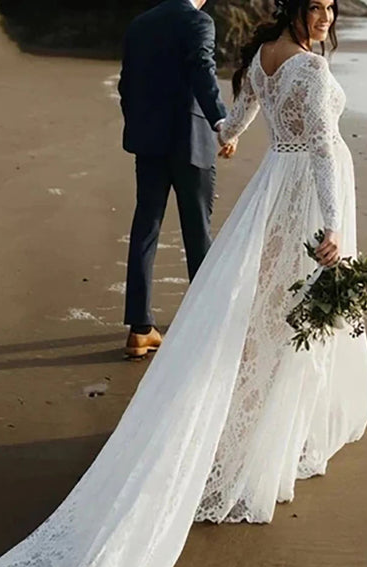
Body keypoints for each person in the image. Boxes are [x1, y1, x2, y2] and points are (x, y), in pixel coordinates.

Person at [0, 1, 367, 567]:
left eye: (331, 7)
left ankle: (237, 413)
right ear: (293, 9)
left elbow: (237, 117)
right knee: (284, 319)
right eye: (315, 5)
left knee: (261, 314)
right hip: (307, 195)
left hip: (262, 189)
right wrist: (335, 226)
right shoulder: (308, 68)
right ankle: (260, 444)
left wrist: (225, 133)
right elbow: (316, 146)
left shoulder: (257, 57)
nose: (325, 16)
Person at [118, 0, 233, 358]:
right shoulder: (198, 21)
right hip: (190, 141)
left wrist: (139, 124)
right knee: (197, 231)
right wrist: (222, 122)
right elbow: (203, 69)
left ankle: (139, 330)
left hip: (149, 141)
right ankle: (205, 324)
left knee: (146, 228)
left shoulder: (141, 23)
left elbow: (126, 85)